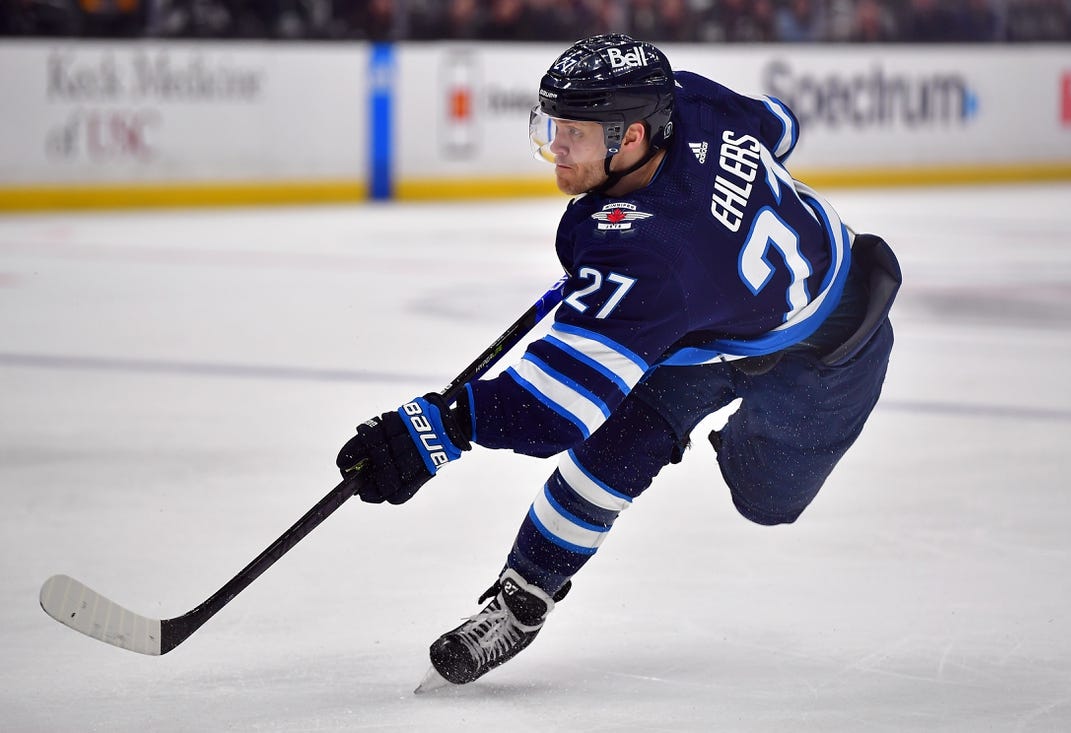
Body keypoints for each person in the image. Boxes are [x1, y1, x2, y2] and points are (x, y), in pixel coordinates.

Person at [336, 33, 901, 691]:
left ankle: (739, 432)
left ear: (632, 137)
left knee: (764, 499)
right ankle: (522, 602)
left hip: (826, 359)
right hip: (715, 327)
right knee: (612, 452)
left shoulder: (649, 254)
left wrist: (435, 428)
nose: (555, 146)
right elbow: (781, 127)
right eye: (552, 125)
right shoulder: (684, 99)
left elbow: (548, 412)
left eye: (573, 132)